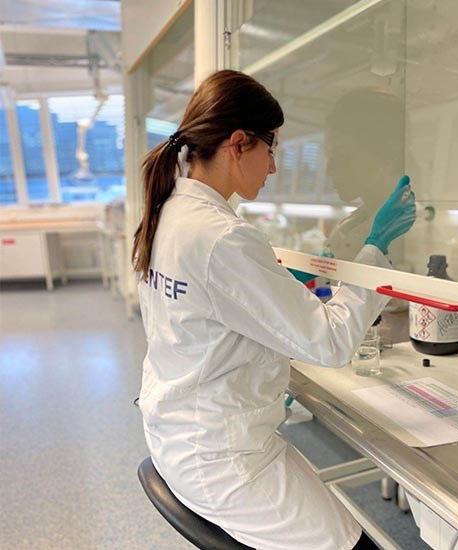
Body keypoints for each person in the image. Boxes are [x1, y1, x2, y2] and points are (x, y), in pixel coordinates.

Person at [132, 70, 414, 550]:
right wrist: (375, 250)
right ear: (238, 143)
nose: (274, 167)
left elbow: (207, 309)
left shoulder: (171, 211)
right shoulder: (222, 235)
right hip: (222, 457)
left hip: (181, 432)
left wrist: (281, 288)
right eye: (272, 149)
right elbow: (329, 344)